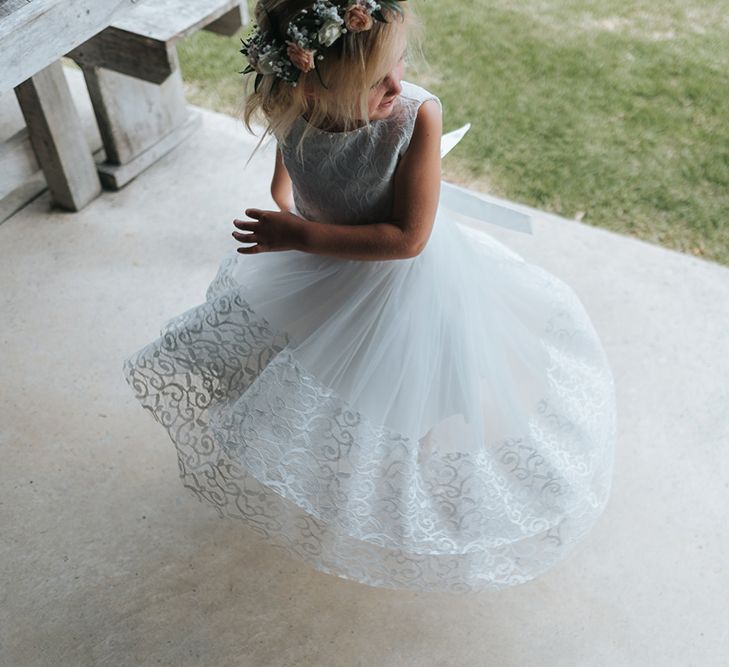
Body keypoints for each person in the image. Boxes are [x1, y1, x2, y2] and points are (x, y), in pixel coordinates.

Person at [122, 0, 617, 593]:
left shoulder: (414, 117)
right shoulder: (292, 100)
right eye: (376, 77)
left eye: (400, 64)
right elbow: (290, 165)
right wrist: (288, 205)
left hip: (400, 279)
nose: (397, 83)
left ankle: (413, 452)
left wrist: (299, 232)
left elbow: (409, 239)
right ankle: (338, 443)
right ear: (313, 79)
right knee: (319, 358)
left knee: (415, 373)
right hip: (324, 264)